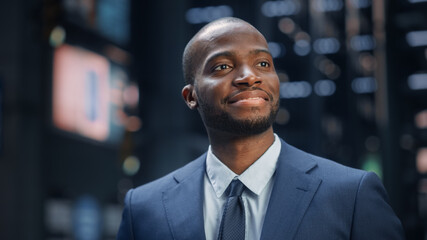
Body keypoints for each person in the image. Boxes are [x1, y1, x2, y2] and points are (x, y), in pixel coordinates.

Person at [117, 17, 404, 240]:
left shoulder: (352, 195)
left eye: (263, 63)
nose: (249, 76)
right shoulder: (144, 208)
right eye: (222, 67)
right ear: (191, 97)